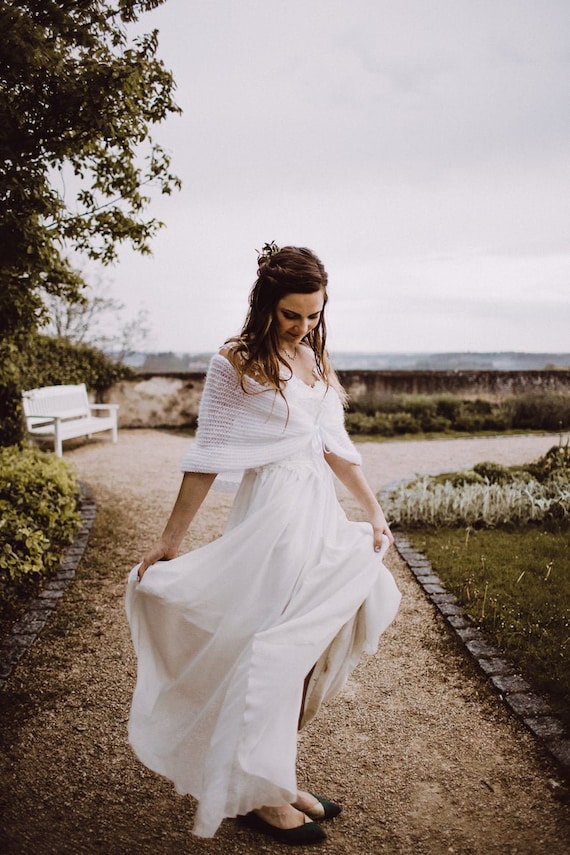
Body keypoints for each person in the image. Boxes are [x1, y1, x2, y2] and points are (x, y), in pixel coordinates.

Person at [125, 243, 401, 846]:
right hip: (271, 517)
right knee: (274, 646)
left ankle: (274, 776)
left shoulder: (315, 361)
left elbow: (335, 447)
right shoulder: (236, 363)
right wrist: (170, 540)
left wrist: (374, 512)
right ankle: (261, 795)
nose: (303, 327)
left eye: (313, 315)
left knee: (303, 648)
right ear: (265, 305)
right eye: (291, 315)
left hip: (318, 515)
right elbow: (206, 456)